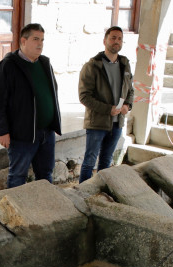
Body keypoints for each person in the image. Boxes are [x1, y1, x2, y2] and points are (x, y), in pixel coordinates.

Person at [0, 23, 62, 189]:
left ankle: (43, 209)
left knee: (45, 174)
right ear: (23, 41)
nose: (40, 44)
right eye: (35, 39)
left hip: (46, 133)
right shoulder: (8, 66)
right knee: (18, 175)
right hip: (22, 134)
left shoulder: (44, 63)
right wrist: (2, 130)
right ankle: (15, 212)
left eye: (42, 39)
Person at [77, 26, 134, 183]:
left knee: (106, 163)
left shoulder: (125, 63)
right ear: (105, 41)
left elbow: (130, 90)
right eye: (113, 38)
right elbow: (84, 97)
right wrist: (108, 110)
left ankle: (100, 192)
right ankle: (82, 194)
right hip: (97, 123)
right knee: (89, 162)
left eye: (120, 39)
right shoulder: (92, 66)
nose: (117, 41)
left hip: (117, 124)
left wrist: (127, 106)